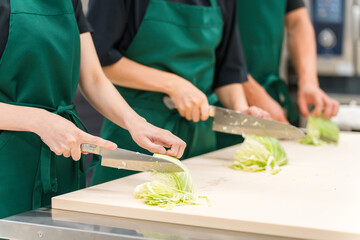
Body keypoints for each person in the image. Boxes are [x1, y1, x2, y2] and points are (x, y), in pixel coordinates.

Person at [0, 0, 185, 219]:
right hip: (8, 162)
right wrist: (39, 121)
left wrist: (136, 123)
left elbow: (93, 79)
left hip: (61, 156)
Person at [87, 0, 270, 185]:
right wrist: (173, 85)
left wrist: (240, 110)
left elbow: (227, 72)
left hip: (201, 137)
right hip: (138, 135)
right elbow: (98, 61)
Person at [216, 0, 340, 149]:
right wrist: (254, 95)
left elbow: (297, 21)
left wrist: (308, 82)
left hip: (268, 99)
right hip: (222, 100)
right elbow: (217, 46)